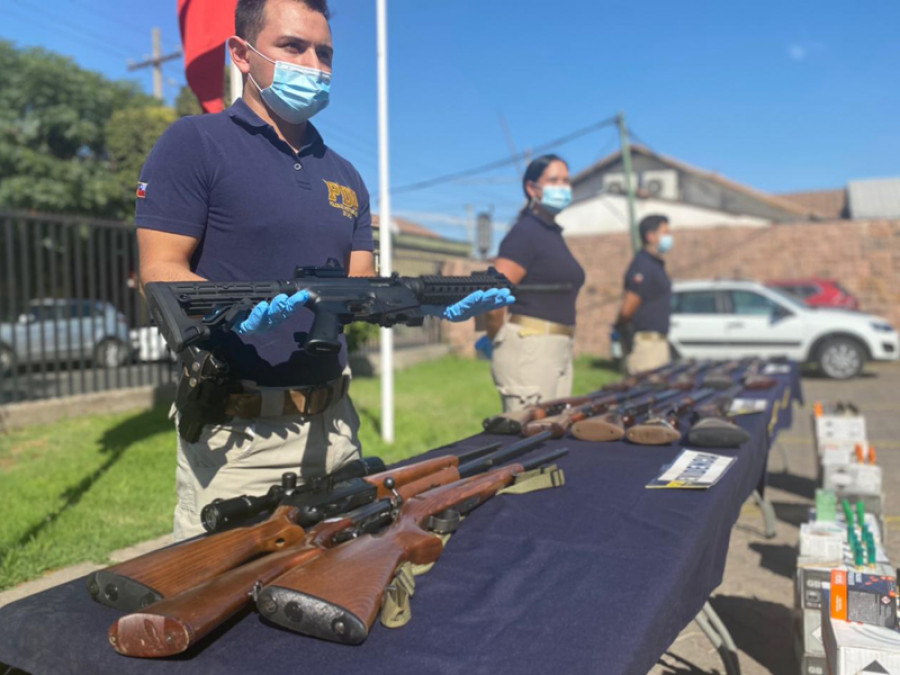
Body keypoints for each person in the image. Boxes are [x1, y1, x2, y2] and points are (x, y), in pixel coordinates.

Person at [135, 0, 511, 540]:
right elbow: (160, 270)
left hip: (336, 428)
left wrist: (426, 301)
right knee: (218, 603)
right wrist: (229, 315)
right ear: (242, 54)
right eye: (293, 47)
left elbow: (358, 291)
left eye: (325, 52)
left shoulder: (347, 176)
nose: (314, 64)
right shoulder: (193, 144)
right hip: (237, 438)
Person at [484, 155, 586, 412]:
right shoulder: (524, 234)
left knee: (553, 432)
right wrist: (499, 337)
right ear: (532, 188)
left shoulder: (552, 233)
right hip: (530, 349)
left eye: (566, 180)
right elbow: (492, 295)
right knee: (531, 438)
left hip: (558, 348)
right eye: (553, 180)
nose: (562, 187)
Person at [616, 214, 673, 375]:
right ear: (650, 236)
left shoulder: (656, 264)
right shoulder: (642, 265)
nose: (669, 237)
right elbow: (628, 307)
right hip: (646, 345)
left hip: (659, 343)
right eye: (665, 232)